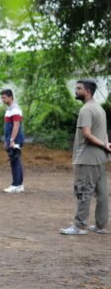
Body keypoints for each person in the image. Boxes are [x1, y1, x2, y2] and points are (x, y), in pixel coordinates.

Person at [60, 80, 110, 235]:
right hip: (100, 158)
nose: (76, 90)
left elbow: (87, 134)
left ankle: (79, 226)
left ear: (87, 91)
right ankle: (101, 226)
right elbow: (103, 132)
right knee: (101, 193)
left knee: (83, 191)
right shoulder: (99, 109)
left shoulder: (86, 110)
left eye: (79, 88)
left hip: (87, 158)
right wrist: (106, 145)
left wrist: (103, 144)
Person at [0, 88, 26, 193]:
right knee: (16, 160)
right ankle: (19, 184)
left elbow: (16, 125)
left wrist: (12, 139)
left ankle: (15, 184)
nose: (2, 99)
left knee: (14, 161)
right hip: (12, 138)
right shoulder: (10, 108)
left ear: (10, 97)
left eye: (4, 97)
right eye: (1, 97)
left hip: (15, 139)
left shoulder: (14, 109)